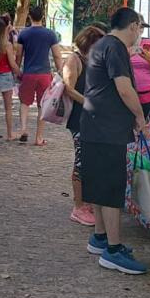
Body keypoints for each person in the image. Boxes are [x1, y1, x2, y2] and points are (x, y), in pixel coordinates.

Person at [81, 7, 149, 275]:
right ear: (133, 26)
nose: (139, 35)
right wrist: (140, 115)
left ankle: (99, 236)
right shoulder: (116, 48)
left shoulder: (101, 44)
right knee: (111, 187)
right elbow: (124, 88)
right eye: (140, 29)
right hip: (106, 129)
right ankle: (113, 248)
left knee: (99, 184)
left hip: (95, 125)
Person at [63, 25, 105, 227]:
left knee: (89, 160)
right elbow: (69, 89)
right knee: (80, 161)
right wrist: (89, 103)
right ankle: (78, 206)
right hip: (80, 118)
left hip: (92, 118)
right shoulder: (74, 59)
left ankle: (85, 202)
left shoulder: (92, 59)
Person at [16, 6, 64, 146]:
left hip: (28, 73)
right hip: (44, 74)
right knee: (42, 105)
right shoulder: (50, 34)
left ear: (29, 17)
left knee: (24, 103)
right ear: (43, 17)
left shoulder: (23, 34)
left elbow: (19, 54)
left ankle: (23, 129)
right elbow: (56, 55)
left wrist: (18, 70)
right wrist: (60, 71)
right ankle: (39, 137)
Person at [130, 21, 150, 120]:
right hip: (127, 93)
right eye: (138, 27)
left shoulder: (149, 43)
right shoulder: (122, 44)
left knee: (143, 123)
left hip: (146, 94)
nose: (140, 30)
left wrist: (148, 58)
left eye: (142, 28)